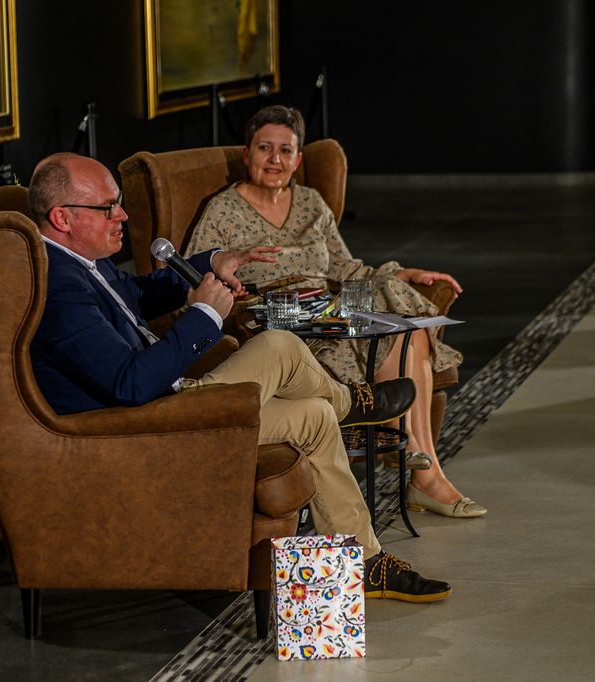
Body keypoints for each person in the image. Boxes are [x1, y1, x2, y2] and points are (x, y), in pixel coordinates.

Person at [28, 151, 451, 603]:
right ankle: (353, 403)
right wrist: (205, 315)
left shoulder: (81, 261)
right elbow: (129, 385)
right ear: (62, 217)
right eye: (108, 207)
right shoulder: (59, 287)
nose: (122, 215)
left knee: (314, 415)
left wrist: (212, 264)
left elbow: (134, 295)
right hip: (142, 426)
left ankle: (364, 562)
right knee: (280, 346)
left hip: (163, 404)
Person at [185, 105, 486, 519]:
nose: (275, 159)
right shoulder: (222, 209)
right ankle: (422, 471)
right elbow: (194, 273)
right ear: (247, 154)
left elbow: (345, 267)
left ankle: (421, 469)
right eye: (265, 148)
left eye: (286, 151)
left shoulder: (311, 202)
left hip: (331, 303)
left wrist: (404, 273)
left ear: (298, 159)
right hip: (279, 317)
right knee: (367, 336)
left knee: (408, 329)